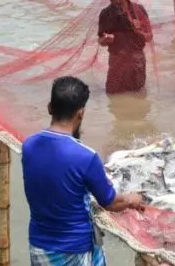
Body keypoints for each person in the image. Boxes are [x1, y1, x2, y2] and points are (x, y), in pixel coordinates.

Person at [23, 76, 147, 266]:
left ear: (49, 107)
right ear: (80, 114)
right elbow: (110, 202)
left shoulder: (29, 145)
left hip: (39, 246)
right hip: (75, 249)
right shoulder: (86, 156)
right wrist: (132, 199)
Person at [97, 0, 153, 94]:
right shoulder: (106, 14)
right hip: (116, 61)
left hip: (136, 62)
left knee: (138, 94)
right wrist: (106, 40)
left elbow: (149, 37)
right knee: (113, 94)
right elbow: (101, 40)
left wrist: (138, 30)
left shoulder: (139, 10)